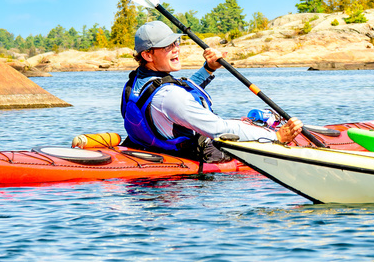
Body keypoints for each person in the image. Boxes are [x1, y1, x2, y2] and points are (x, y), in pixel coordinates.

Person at [121, 20, 304, 161]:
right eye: (167, 46)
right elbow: (219, 129)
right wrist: (275, 137)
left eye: (176, 42)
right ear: (147, 55)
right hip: (195, 157)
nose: (176, 49)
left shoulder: (134, 84)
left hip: (153, 148)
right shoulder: (170, 97)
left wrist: (209, 68)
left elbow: (179, 94)